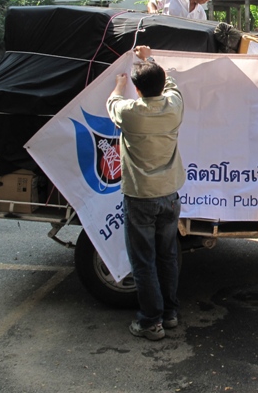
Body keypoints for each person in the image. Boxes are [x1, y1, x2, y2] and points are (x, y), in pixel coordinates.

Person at [107, 45, 186, 341]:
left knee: (144, 261)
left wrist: (119, 84)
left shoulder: (130, 113)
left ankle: (151, 321)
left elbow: (113, 102)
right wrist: (149, 58)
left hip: (140, 198)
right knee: (167, 256)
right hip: (169, 196)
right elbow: (171, 84)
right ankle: (170, 314)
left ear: (137, 90)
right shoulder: (174, 107)